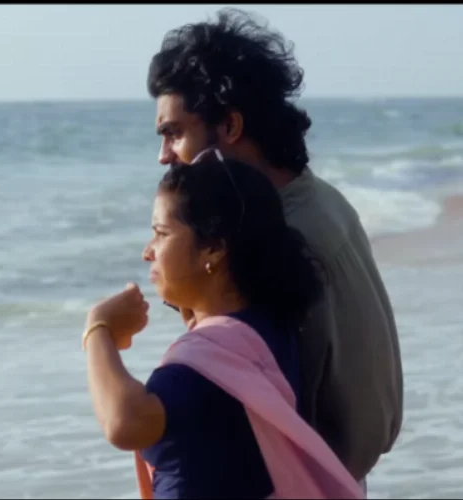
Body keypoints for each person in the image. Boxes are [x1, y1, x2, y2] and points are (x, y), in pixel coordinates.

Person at [146, 7, 403, 486]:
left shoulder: (276, 238)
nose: (164, 156)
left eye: (174, 133)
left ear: (230, 127)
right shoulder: (321, 198)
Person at [83, 157, 364, 499]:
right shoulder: (271, 327)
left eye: (161, 233)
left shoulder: (205, 361)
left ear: (214, 248)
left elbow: (124, 424)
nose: (148, 252)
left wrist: (98, 329)